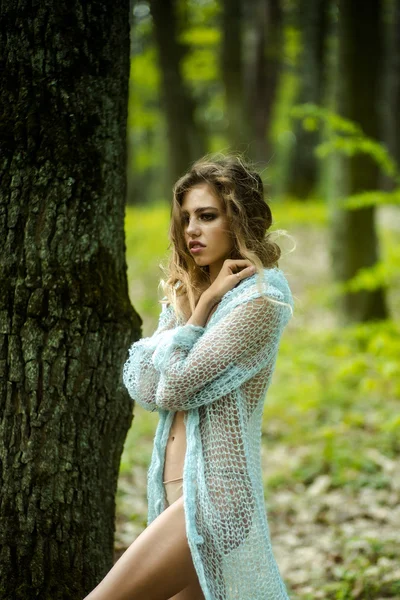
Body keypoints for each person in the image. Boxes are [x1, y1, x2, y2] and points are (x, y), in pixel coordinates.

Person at [84, 155, 294, 600]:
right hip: (174, 492)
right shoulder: (188, 292)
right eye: (185, 219)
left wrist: (196, 314)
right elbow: (143, 384)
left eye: (207, 216)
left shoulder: (261, 299)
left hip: (212, 500)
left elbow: (174, 386)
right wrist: (190, 310)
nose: (191, 230)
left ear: (238, 220)